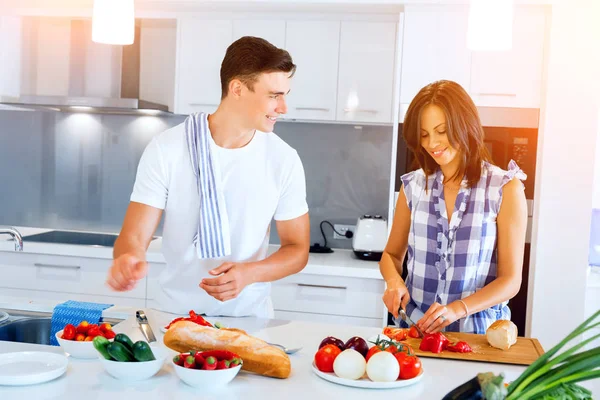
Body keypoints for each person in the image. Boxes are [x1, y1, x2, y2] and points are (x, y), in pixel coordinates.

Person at [105, 36, 310, 318]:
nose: (284, 107)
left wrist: (249, 274)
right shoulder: (167, 149)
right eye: (274, 95)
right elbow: (133, 237)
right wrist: (128, 258)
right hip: (173, 315)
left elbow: (297, 249)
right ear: (237, 88)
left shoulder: (284, 160)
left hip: (248, 318)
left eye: (285, 95)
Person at [380, 80, 528, 334]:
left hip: (479, 336)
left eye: (441, 130)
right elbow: (391, 255)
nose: (432, 143)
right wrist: (394, 282)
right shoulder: (414, 186)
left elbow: (511, 280)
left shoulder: (504, 188)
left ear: (464, 125)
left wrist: (458, 308)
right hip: (416, 331)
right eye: (424, 135)